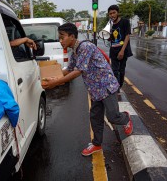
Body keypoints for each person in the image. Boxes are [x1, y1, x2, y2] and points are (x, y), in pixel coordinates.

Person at [43, 23, 133, 156]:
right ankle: (97, 144)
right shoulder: (75, 51)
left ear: (72, 36)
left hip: (106, 86)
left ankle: (125, 118)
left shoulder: (85, 47)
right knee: (95, 118)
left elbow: (78, 71)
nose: (60, 41)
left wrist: (56, 82)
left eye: (62, 37)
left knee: (113, 116)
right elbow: (68, 69)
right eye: (59, 38)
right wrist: (53, 77)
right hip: (95, 90)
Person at [108, 5, 133, 92]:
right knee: (114, 71)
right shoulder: (110, 24)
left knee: (121, 71)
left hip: (123, 50)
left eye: (114, 12)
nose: (112, 15)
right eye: (110, 13)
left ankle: (120, 85)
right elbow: (111, 38)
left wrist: (122, 51)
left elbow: (127, 36)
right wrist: (107, 36)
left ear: (117, 13)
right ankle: (116, 88)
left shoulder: (125, 22)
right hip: (113, 50)